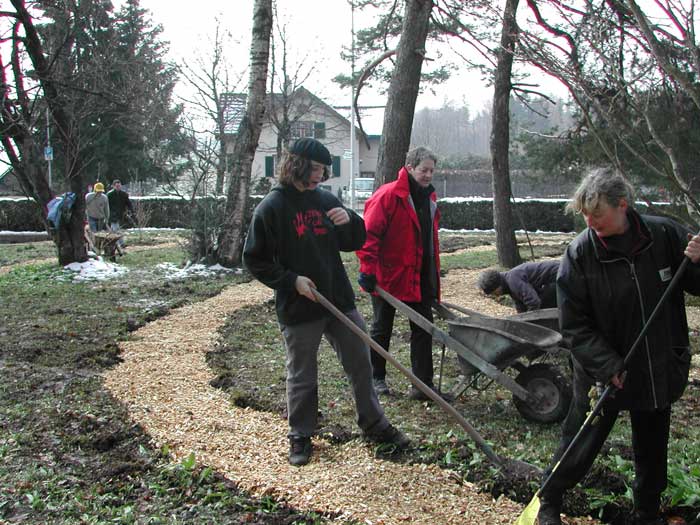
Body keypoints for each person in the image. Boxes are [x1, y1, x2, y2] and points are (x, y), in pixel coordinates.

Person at [537, 167, 700, 525]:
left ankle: (646, 512)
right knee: (581, 439)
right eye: (584, 213)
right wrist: (607, 365)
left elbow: (696, 286)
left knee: (652, 445)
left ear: (622, 205)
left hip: (656, 361)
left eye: (597, 213)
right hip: (603, 369)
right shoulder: (580, 254)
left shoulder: (665, 235)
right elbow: (574, 324)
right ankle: (548, 501)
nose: (589, 221)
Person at [242, 137, 410, 467]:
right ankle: (300, 434)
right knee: (303, 373)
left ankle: (373, 423)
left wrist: (350, 221)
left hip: (337, 298)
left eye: (323, 169)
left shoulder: (324, 200)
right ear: (298, 165)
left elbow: (353, 240)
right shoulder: (272, 207)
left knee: (360, 361)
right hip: (299, 306)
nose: (321, 174)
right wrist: (292, 281)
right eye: (316, 168)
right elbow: (255, 259)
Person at [356, 146, 445, 401]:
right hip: (389, 277)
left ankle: (422, 385)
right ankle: (376, 378)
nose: (428, 175)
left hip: (419, 277)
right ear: (409, 167)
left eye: (431, 170)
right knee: (382, 328)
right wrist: (368, 270)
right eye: (423, 169)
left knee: (423, 329)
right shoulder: (388, 196)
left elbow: (428, 241)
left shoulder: (429, 200)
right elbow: (368, 236)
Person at [477, 259, 559, 313]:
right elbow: (521, 306)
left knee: (543, 304)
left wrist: (530, 324)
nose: (495, 296)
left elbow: (534, 302)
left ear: (498, 286)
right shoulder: (509, 284)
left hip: (560, 277)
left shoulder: (513, 279)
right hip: (555, 279)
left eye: (494, 293)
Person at [107, 179, 134, 248]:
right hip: (112, 214)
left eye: (119, 186)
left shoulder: (124, 194)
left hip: (120, 214)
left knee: (114, 230)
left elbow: (128, 203)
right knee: (116, 228)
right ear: (113, 186)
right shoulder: (109, 195)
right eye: (116, 186)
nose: (118, 187)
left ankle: (112, 243)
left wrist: (131, 211)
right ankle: (121, 243)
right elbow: (106, 205)